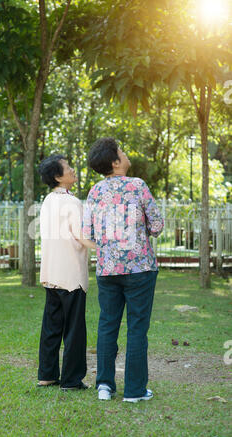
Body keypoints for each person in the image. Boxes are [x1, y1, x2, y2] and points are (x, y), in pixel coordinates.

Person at [82, 137, 164, 402]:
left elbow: (87, 233)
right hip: (140, 268)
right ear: (116, 162)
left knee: (107, 325)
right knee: (137, 328)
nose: (127, 155)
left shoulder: (95, 192)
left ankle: (104, 386)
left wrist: (108, 249)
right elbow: (157, 225)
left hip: (107, 270)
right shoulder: (138, 186)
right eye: (122, 151)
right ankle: (135, 391)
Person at [37, 154, 96, 390]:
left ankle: (47, 375)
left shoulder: (48, 201)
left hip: (51, 272)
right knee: (74, 329)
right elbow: (82, 237)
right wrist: (103, 247)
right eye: (68, 168)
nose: (73, 170)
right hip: (71, 274)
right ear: (58, 176)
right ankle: (71, 380)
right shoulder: (72, 203)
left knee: (51, 327)